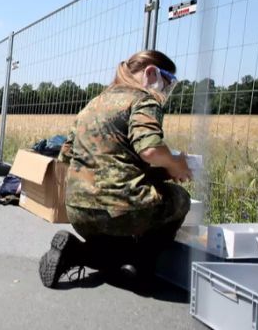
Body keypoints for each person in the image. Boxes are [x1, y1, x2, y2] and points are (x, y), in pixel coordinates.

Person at [39, 50, 193, 289]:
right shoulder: (144, 98)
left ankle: (76, 252)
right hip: (125, 210)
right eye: (167, 81)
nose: (166, 89)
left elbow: (66, 155)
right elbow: (150, 149)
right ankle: (140, 264)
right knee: (180, 199)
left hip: (78, 212)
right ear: (151, 73)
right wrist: (176, 165)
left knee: (115, 235)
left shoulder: (93, 103)